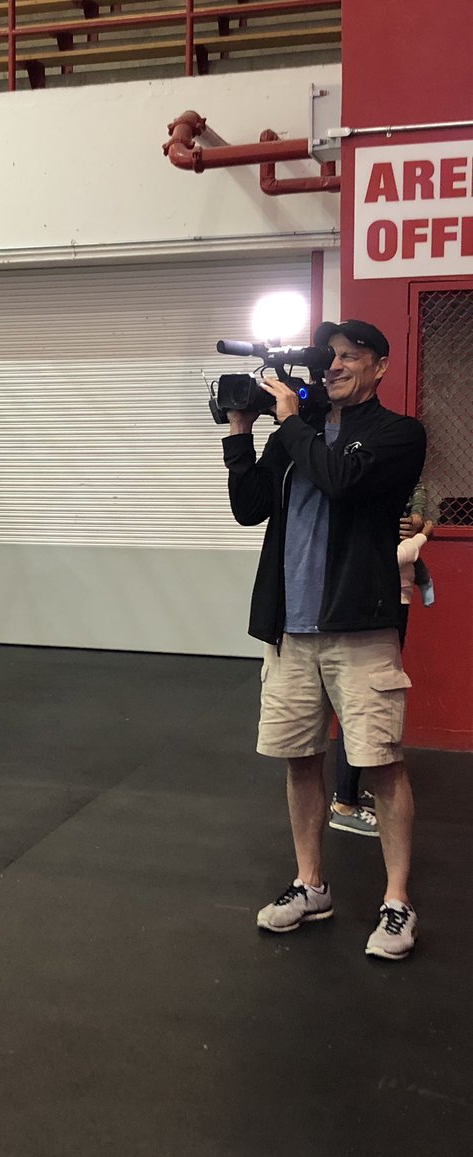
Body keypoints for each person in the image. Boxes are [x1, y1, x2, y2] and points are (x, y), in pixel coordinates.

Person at [222, 318, 426, 960]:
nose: (334, 365)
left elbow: (339, 479)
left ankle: (397, 903)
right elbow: (250, 506)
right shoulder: (298, 433)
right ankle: (311, 884)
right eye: (328, 356)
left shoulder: (398, 435)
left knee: (381, 762)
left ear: (380, 366)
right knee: (299, 758)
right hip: (291, 626)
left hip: (359, 626)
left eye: (349, 355)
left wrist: (290, 420)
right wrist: (240, 431)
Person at [329, 482, 434, 836]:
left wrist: (421, 520)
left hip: (394, 602)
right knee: (363, 700)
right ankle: (344, 801)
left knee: (369, 699)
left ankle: (352, 788)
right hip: (377, 604)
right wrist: (422, 539)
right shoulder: (362, 500)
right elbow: (390, 556)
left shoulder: (399, 491)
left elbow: (423, 499)